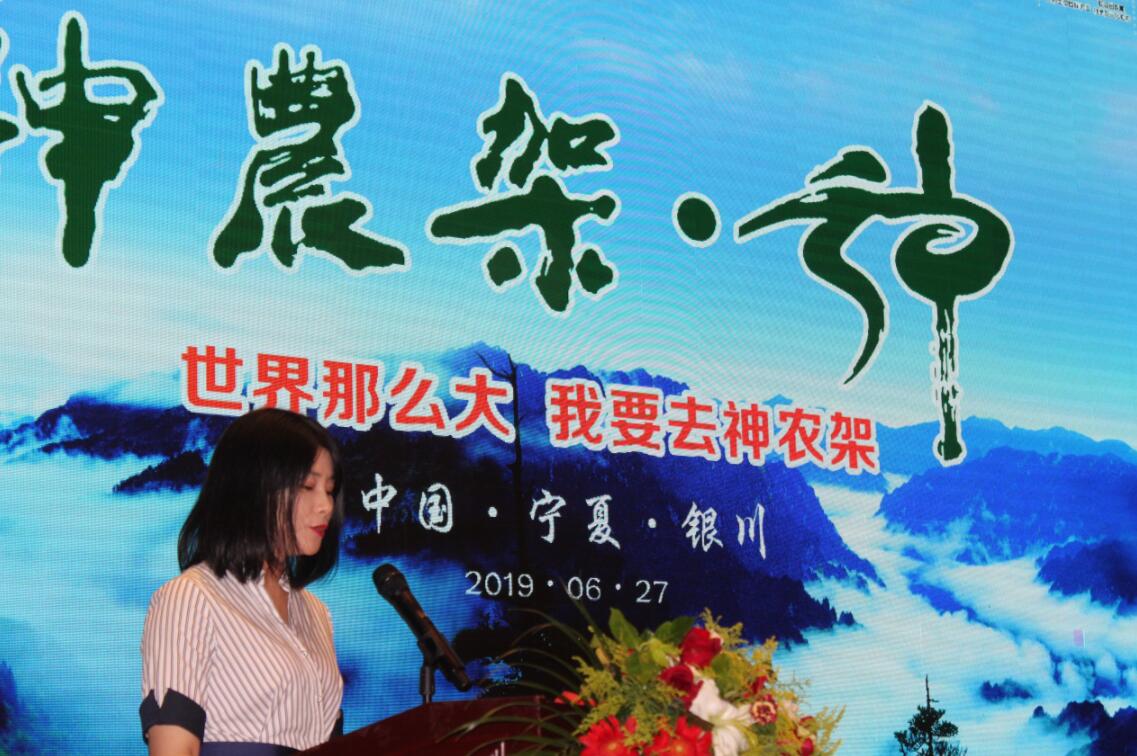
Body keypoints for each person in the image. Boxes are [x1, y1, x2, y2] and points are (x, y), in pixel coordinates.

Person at [140, 408, 345, 756]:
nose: (325, 505)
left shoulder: (316, 613)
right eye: (308, 486)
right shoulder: (190, 597)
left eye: (330, 489)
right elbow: (174, 748)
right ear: (253, 488)